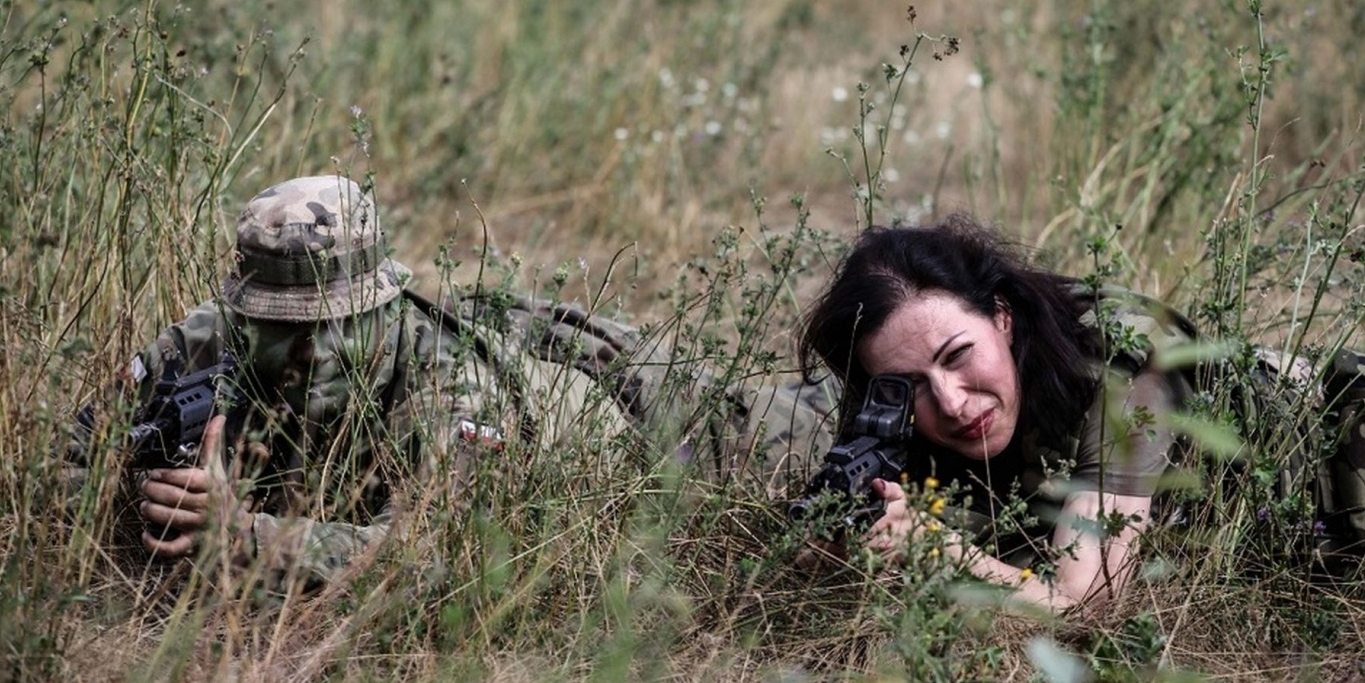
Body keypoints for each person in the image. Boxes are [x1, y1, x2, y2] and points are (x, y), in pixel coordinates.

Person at [71, 174, 831, 591]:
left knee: (812, 428)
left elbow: (427, 558)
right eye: (282, 323)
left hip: (646, 438)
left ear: (382, 302)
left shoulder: (453, 387)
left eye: (331, 322)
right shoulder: (213, 335)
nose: (307, 346)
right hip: (525, 344)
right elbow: (78, 442)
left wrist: (247, 534)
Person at [795, 215, 1365, 613]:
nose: (950, 401)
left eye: (958, 355)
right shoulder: (892, 407)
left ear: (1001, 316)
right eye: (908, 384)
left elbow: (1086, 607)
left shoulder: (1126, 369)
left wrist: (946, 555)